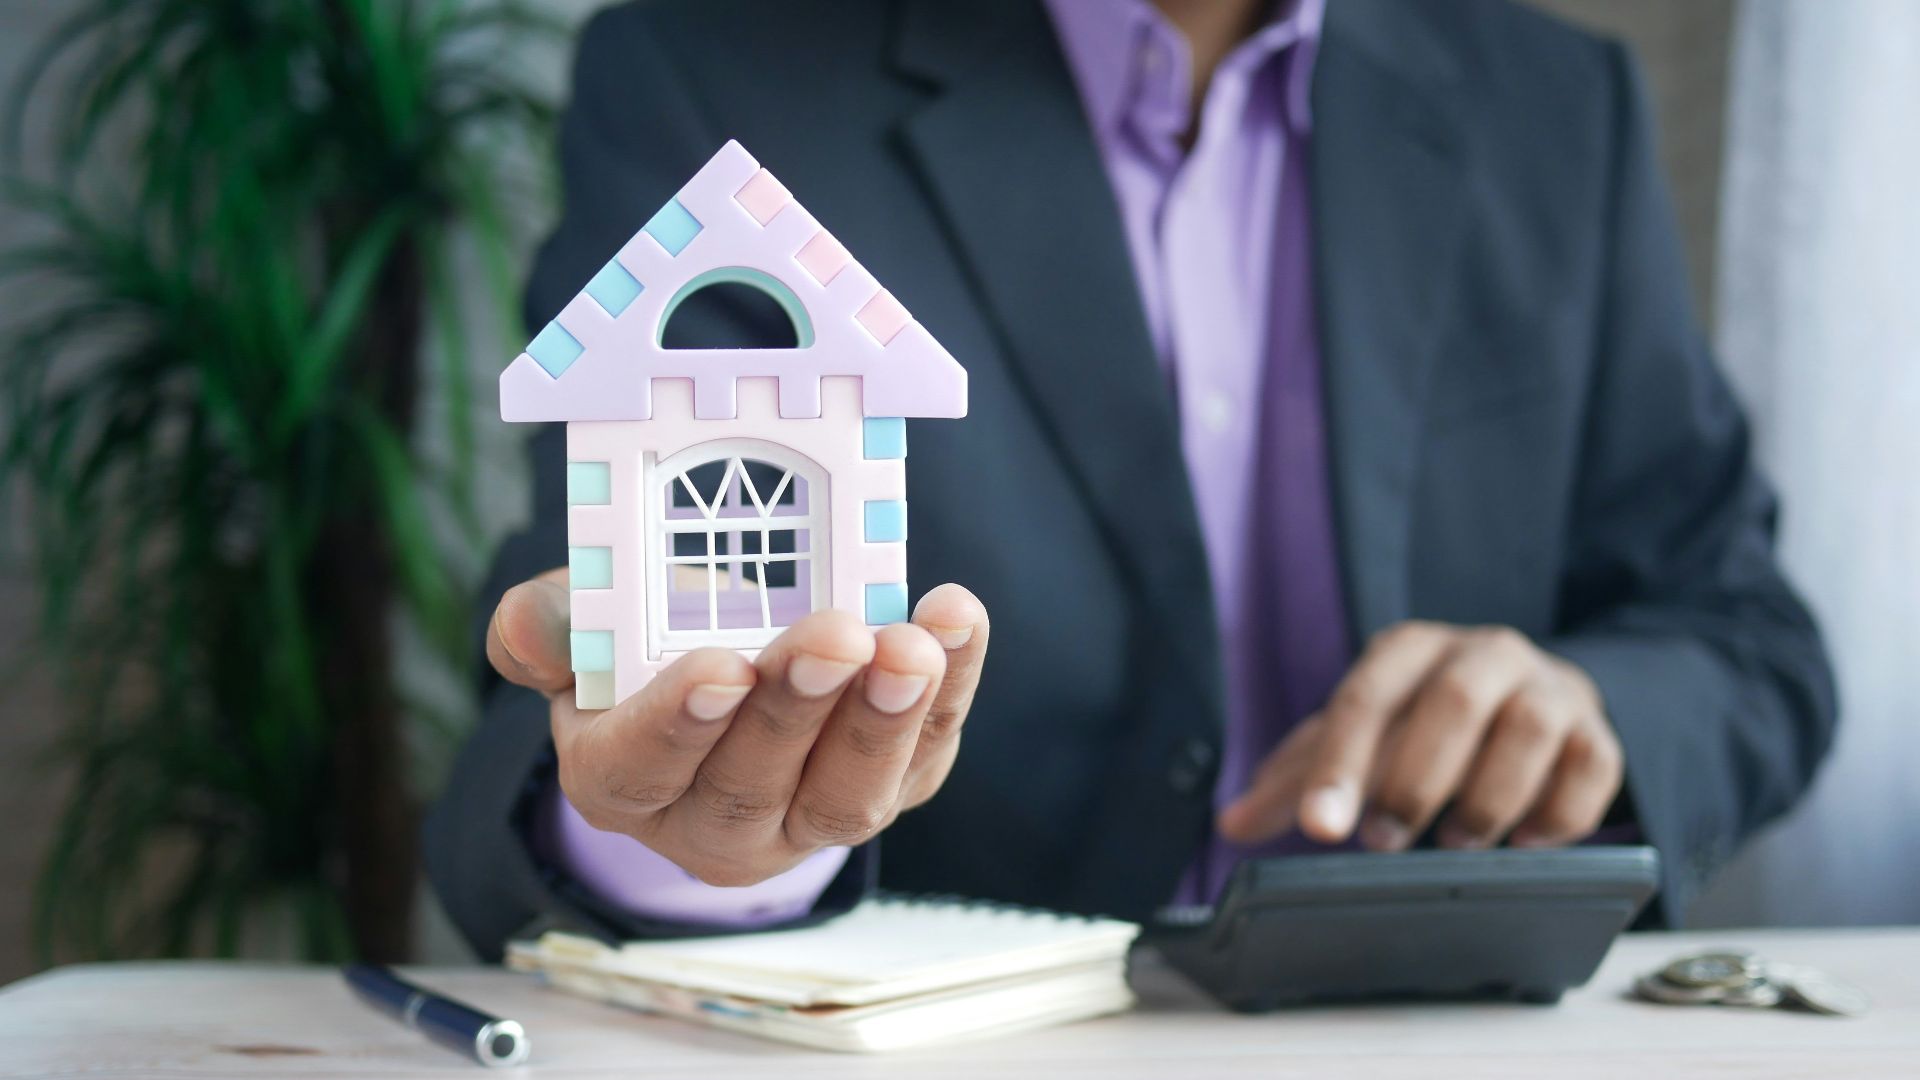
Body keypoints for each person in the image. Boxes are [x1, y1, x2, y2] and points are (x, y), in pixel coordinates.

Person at [426, 0, 1836, 958]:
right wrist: (703, 841)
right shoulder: (713, 74)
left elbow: (1746, 642)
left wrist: (1590, 711)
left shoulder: (1554, 104)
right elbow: (591, 666)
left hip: (1434, 1024)